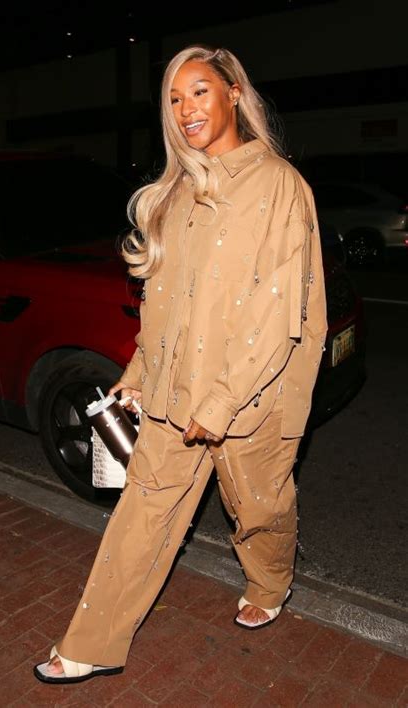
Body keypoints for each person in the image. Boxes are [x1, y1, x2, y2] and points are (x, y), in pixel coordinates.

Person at [34, 44, 327, 684]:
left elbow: (275, 316)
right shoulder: (175, 193)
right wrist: (140, 372)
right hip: (175, 391)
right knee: (142, 513)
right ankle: (92, 642)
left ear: (233, 94)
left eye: (199, 91)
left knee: (259, 509)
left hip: (252, 394)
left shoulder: (277, 185)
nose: (186, 108)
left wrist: (220, 404)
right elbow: (163, 304)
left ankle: (270, 582)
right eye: (174, 98)